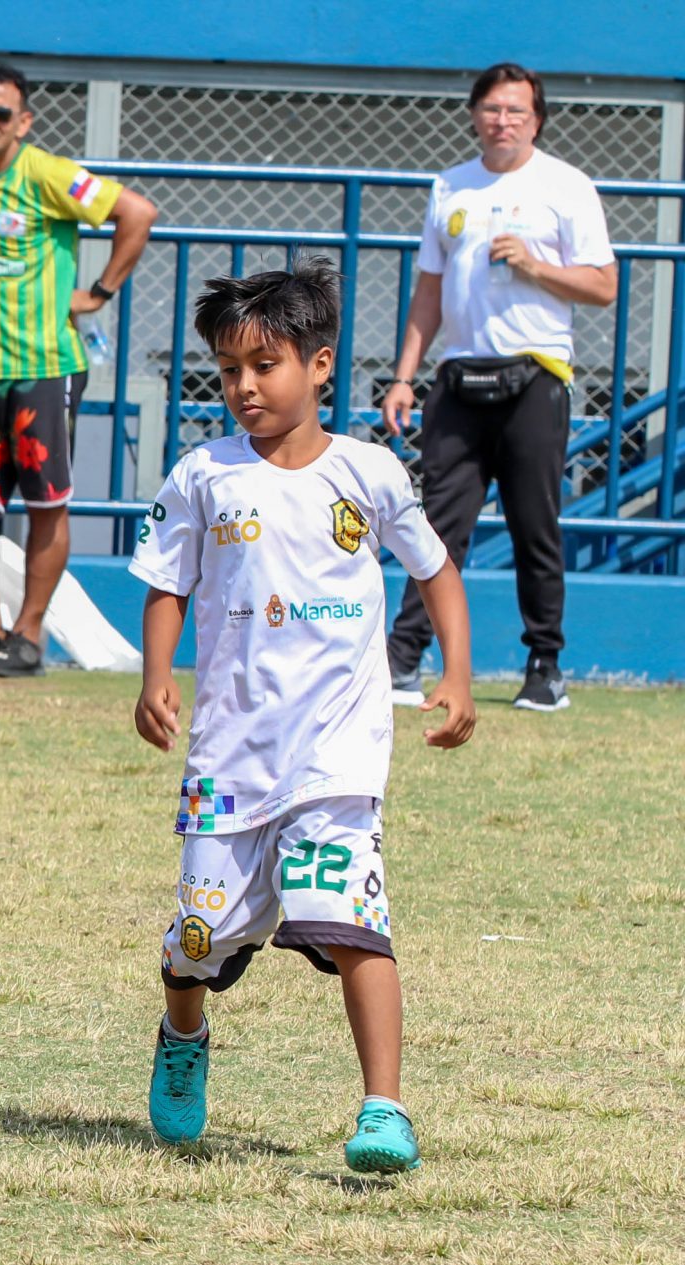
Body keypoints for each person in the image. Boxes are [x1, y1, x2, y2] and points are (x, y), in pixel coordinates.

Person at [132, 263, 476, 1175]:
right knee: (197, 940)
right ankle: (182, 1033)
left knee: (353, 917)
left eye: (266, 364)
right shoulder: (203, 474)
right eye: (229, 369)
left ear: (320, 365)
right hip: (229, 753)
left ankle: (384, 1108)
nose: (245, 386)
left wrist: (459, 676)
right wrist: (156, 676)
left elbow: (435, 569)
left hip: (336, 752)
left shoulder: (369, 470)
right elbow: (169, 582)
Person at [379, 63, 616, 715]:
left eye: (515, 110)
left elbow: (603, 284)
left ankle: (545, 666)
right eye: (490, 109)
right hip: (458, 375)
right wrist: (405, 376)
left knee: (533, 523)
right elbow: (429, 289)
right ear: (474, 114)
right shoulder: (450, 186)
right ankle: (402, 658)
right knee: (433, 524)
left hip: (534, 374)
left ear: (536, 119)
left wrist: (537, 267)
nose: (501, 121)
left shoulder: (565, 186)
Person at [0, 64, 156, 678]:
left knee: (47, 507)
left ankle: (28, 634)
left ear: (23, 122)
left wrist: (98, 292)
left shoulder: (47, 173)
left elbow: (137, 213)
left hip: (45, 370)